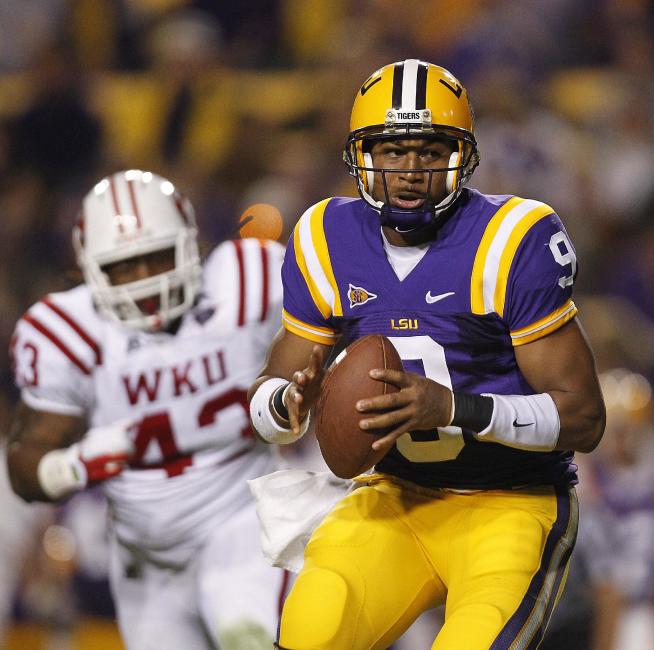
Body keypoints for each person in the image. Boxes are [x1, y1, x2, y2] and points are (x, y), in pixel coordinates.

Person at [247, 59, 606, 650]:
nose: (410, 170)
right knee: (312, 626)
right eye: (391, 152)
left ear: (461, 156)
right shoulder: (323, 237)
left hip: (510, 502)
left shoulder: (513, 239)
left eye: (429, 150)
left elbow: (585, 418)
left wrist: (456, 408)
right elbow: (267, 398)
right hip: (394, 496)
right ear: (361, 155)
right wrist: (289, 402)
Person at [6, 169, 289, 649]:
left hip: (244, 522)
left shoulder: (246, 280)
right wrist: (68, 467)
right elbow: (24, 462)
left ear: (188, 243)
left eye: (156, 259)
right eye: (124, 266)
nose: (142, 281)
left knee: (250, 635)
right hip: (145, 558)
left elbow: (325, 345)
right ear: (89, 268)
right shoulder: (66, 332)